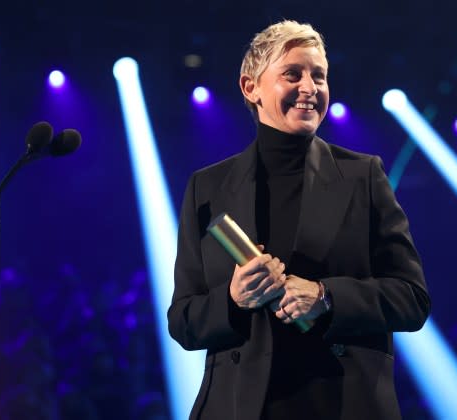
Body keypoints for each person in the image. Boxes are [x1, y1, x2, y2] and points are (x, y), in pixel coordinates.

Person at [168, 20, 430, 420]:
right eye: (293, 74)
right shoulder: (208, 187)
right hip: (239, 408)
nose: (310, 88)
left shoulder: (363, 177)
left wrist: (326, 297)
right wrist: (233, 300)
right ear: (249, 87)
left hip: (341, 404)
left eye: (319, 76)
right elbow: (183, 321)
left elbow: (411, 300)